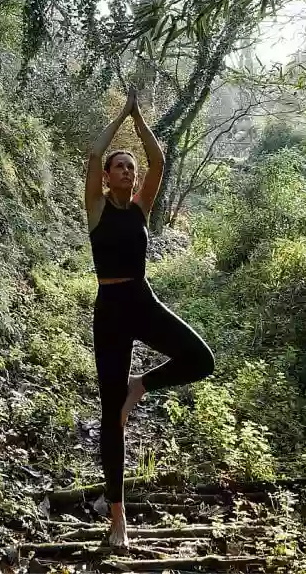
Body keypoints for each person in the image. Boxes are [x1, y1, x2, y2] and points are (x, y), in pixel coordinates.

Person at [85, 85, 215, 548]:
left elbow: (158, 161)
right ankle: (117, 517)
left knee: (201, 360)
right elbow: (96, 150)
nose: (127, 169)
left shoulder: (141, 209)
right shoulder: (96, 208)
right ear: (107, 176)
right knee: (109, 415)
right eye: (120, 166)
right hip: (109, 312)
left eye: (130, 167)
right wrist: (121, 113)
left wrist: (141, 119)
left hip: (142, 300)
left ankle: (139, 387)